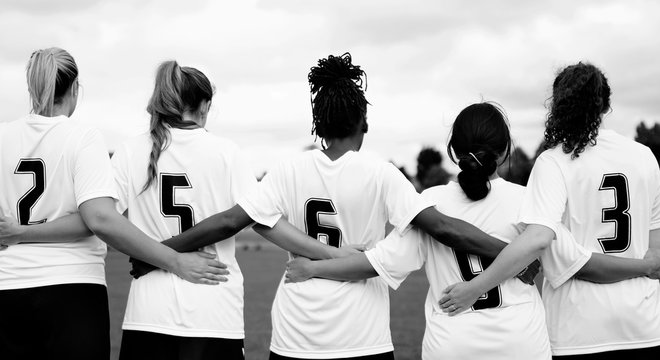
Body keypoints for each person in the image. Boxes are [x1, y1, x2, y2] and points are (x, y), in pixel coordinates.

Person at [130, 53, 533, 360]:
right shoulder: (382, 174)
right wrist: (515, 255)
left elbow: (232, 221)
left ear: (317, 125)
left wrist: (162, 255)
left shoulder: (289, 169)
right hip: (362, 336)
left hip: (296, 333)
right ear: (365, 123)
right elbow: (444, 228)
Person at [0, 48, 225, 360]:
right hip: (70, 288)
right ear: (75, 87)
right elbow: (98, 219)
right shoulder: (82, 138)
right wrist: (173, 260)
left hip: (7, 286)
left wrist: (16, 232)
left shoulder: (3, 135)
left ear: (31, 87)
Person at [285, 102, 553, 359]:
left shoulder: (430, 201)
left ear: (453, 151)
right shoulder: (529, 200)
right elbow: (569, 261)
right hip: (522, 341)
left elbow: (376, 264)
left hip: (451, 342)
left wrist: (314, 268)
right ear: (505, 150)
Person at [438, 63, 660, 359]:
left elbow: (544, 242)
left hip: (579, 330)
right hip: (644, 325)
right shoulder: (644, 157)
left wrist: (475, 287)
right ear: (606, 104)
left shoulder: (553, 162)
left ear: (558, 106)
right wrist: (642, 268)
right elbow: (654, 254)